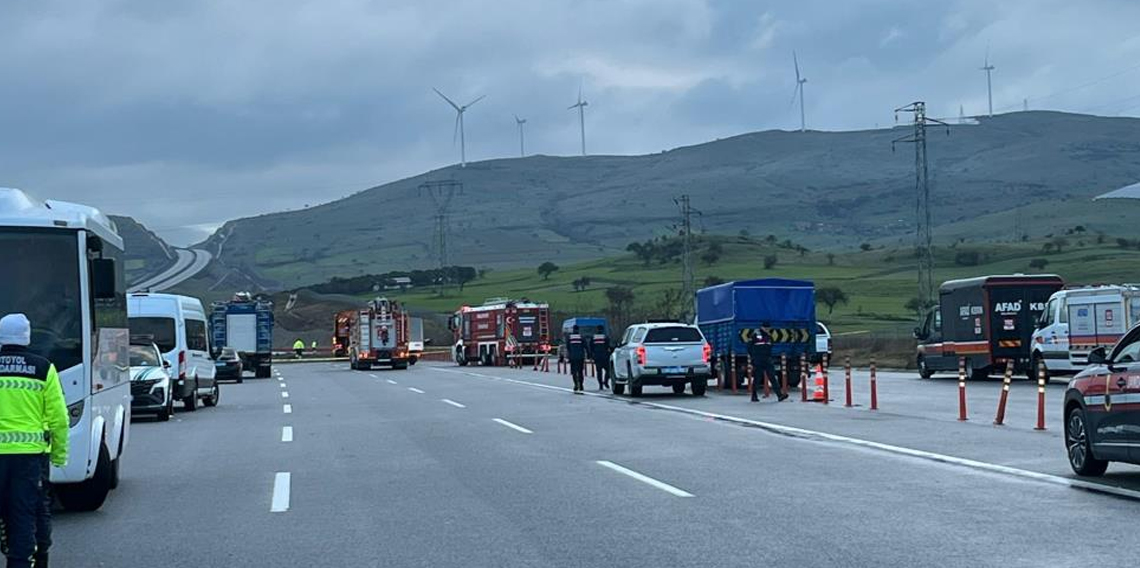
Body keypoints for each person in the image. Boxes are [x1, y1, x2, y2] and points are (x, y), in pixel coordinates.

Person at [0, 314, 69, 568]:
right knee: (24, 516)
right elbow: (59, 419)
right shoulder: (43, 368)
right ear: (27, 337)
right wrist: (59, 455)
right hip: (28, 459)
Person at [748, 323, 786, 403]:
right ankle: (754, 396)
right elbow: (749, 347)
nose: (767, 329)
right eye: (766, 328)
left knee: (772, 377)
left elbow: (770, 346)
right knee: (757, 378)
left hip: (767, 359)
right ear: (762, 327)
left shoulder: (768, 336)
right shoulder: (755, 335)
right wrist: (753, 357)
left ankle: (780, 395)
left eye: (768, 328)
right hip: (758, 359)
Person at [565, 325, 587, 393]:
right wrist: (589, 355)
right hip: (580, 356)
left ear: (573, 330)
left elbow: (568, 347)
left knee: (574, 372)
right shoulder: (582, 337)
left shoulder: (569, 337)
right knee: (580, 371)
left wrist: (569, 354)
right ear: (578, 329)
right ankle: (581, 385)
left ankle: (575, 385)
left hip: (572, 357)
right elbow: (585, 346)